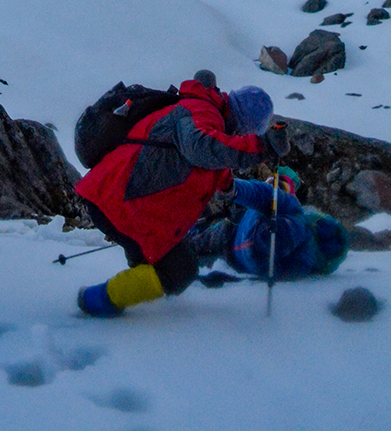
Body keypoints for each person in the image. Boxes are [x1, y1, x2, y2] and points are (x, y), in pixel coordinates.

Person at [75, 72, 287, 316]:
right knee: (176, 270)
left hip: (124, 201)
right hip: (120, 201)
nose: (241, 138)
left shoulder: (207, 115)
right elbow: (202, 148)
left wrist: (229, 190)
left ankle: (105, 301)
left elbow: (214, 161)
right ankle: (96, 303)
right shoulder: (201, 111)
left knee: (176, 266)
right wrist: (262, 147)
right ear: (245, 125)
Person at [189, 167, 349, 280]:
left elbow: (260, 193)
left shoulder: (299, 262)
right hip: (231, 232)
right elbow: (261, 193)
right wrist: (232, 189)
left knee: (193, 250)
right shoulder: (289, 208)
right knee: (193, 245)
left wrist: (232, 190)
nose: (270, 233)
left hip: (229, 245)